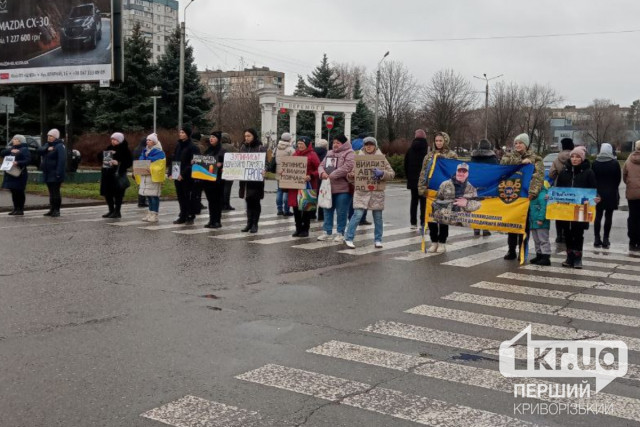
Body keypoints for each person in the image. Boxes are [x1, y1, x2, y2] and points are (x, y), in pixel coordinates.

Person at [344, 137, 395, 248]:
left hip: (376, 193)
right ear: (364, 145)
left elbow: (391, 174)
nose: (369, 146)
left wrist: (382, 173)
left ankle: (378, 239)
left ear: (375, 145)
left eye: (371, 144)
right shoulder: (358, 158)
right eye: (367, 144)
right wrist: (351, 176)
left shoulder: (381, 159)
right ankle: (349, 237)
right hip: (361, 192)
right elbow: (352, 176)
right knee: (357, 215)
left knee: (377, 217)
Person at [500, 133, 544, 260]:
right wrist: (520, 162)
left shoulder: (536, 159)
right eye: (516, 143)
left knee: (524, 225)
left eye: (520, 143)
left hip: (526, 197)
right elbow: (503, 168)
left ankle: (522, 251)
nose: (518, 145)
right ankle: (511, 250)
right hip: (512, 194)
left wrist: (532, 193)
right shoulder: (508, 157)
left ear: (526, 144)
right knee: (512, 224)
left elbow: (538, 177)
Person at [556, 146, 599, 268]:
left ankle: (578, 258)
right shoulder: (564, 172)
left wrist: (596, 197)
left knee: (578, 233)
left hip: (581, 208)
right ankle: (569, 257)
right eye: (573, 156)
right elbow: (558, 189)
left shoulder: (588, 172)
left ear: (582, 158)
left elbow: (593, 189)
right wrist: (552, 197)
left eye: (578, 157)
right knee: (567, 233)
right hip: (566, 209)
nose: (574, 159)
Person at [417, 131, 458, 253]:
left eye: (441, 140)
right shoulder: (429, 155)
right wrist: (421, 186)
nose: (438, 143)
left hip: (445, 192)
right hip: (431, 190)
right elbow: (423, 172)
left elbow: (454, 173)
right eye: (437, 141)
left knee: (443, 217)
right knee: (431, 217)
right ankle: (433, 241)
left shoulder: (452, 155)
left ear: (445, 141)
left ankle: (442, 242)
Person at [317, 134, 355, 242]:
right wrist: (322, 173)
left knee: (341, 212)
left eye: (338, 143)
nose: (335, 145)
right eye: (334, 142)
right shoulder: (329, 153)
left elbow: (348, 167)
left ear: (343, 143)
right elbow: (321, 165)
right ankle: (327, 231)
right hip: (328, 187)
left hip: (343, 188)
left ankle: (340, 233)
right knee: (327, 209)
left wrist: (332, 174)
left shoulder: (349, 153)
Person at [288, 136, 320, 237]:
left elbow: (319, 169)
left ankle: (305, 229)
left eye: (302, 143)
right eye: (298, 143)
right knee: (296, 208)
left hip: (307, 185)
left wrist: (311, 176)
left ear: (307, 144)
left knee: (306, 207)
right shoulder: (295, 154)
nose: (300, 145)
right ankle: (298, 228)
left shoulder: (312, 155)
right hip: (295, 185)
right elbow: (289, 167)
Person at [591, 143, 621, 248]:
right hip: (611, 193)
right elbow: (618, 179)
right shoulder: (615, 163)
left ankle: (596, 238)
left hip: (598, 193)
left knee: (598, 216)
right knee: (609, 216)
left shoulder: (595, 163)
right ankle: (606, 238)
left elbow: (592, 179)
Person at [98, 132, 132, 218]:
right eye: (112, 139)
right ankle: (111, 210)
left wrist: (118, 163)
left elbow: (129, 162)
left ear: (120, 140)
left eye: (115, 140)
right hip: (107, 174)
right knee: (107, 193)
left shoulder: (125, 149)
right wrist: (105, 154)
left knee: (118, 194)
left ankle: (117, 211)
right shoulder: (110, 148)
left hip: (117, 175)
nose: (113, 141)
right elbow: (99, 156)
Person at [170, 125, 200, 225]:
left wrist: (183, 174)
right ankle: (183, 214)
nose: (180, 134)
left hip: (187, 177)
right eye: (180, 132)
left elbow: (193, 163)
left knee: (188, 196)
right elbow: (174, 159)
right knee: (180, 197)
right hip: (177, 175)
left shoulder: (193, 147)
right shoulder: (178, 145)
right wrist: (170, 172)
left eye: (183, 133)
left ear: (187, 134)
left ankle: (190, 215)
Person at [238, 128, 267, 233]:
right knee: (248, 200)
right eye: (245, 136)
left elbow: (266, 163)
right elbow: (238, 161)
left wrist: (265, 170)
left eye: (249, 136)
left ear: (254, 136)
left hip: (256, 180)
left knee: (255, 201)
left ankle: (255, 224)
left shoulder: (260, 148)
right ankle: (249, 223)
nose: (247, 138)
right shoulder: (243, 147)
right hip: (245, 179)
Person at [470, 138, 498, 236]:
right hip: (487, 185)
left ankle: (476, 229)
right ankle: (486, 228)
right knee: (486, 206)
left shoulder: (473, 157)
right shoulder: (492, 158)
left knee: (475, 206)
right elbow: (496, 171)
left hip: (475, 185)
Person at [550, 137, 574, 243]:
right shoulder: (575, 157)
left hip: (559, 189)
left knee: (559, 213)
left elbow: (551, 174)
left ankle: (559, 235)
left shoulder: (557, 159)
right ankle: (567, 233)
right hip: (572, 189)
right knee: (570, 213)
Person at [137, 133, 166, 223]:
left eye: (149, 140)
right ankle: (150, 213)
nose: (147, 141)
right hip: (146, 177)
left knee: (154, 196)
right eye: (147, 140)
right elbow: (141, 160)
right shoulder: (145, 151)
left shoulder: (159, 152)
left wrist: (148, 164)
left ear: (154, 142)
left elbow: (160, 165)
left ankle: (155, 214)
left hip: (154, 177)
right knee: (149, 196)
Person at [38, 128, 66, 217]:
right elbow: (39, 151)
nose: (49, 137)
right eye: (48, 136)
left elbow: (62, 161)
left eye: (51, 136)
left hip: (55, 173)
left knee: (55, 192)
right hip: (47, 172)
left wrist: (59, 173)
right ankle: (52, 209)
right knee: (51, 192)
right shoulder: (47, 145)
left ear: (55, 137)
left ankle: (57, 210)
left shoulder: (59, 146)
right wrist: (47, 149)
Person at [1, 134, 31, 215]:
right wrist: (10, 151)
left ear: (19, 141)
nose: (13, 140)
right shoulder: (12, 148)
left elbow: (28, 160)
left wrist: (18, 162)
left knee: (19, 192)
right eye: (13, 139)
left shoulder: (24, 149)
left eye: (15, 139)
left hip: (20, 174)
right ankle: (15, 208)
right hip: (11, 173)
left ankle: (20, 209)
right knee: (13, 191)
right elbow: (2, 153)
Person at [405, 129, 428, 230]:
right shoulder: (428, 150)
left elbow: (405, 165)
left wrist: (409, 177)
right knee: (424, 202)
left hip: (413, 180)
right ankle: (423, 222)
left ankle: (413, 223)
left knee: (414, 201)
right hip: (425, 181)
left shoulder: (410, 150)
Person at [201, 131, 226, 228]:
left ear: (218, 139)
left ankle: (217, 221)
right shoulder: (208, 151)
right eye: (210, 137)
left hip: (218, 180)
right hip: (207, 180)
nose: (211, 139)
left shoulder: (222, 151)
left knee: (217, 201)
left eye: (214, 137)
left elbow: (227, 163)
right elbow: (203, 162)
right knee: (210, 200)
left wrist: (221, 165)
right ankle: (211, 220)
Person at [528, 180, 552, 266]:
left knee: (543, 240)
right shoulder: (532, 197)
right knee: (536, 240)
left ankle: (546, 256)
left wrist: (541, 219)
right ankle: (539, 255)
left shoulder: (542, 195)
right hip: (533, 222)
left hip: (541, 223)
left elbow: (543, 208)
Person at [623, 140, 640, 252]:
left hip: (632, 193)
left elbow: (624, 176)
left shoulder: (629, 160)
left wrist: (630, 184)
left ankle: (632, 240)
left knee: (633, 217)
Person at [272, 132, 295, 216]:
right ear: (289, 139)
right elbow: (294, 160)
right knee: (287, 191)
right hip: (287, 172)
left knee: (279, 190)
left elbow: (273, 157)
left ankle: (279, 209)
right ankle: (286, 210)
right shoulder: (290, 149)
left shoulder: (276, 148)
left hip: (278, 171)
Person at [313, 138, 329, 221]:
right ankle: (321, 216)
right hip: (322, 177)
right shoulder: (327, 154)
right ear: (326, 146)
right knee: (322, 195)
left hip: (312, 178)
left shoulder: (312, 153)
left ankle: (312, 214)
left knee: (313, 195)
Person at [220, 132, 236, 211]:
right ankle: (226, 204)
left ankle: (221, 204)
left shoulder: (218, 146)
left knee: (221, 188)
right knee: (227, 188)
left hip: (219, 169)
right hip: (230, 169)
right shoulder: (231, 147)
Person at [132, 136, 149, 208]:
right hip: (143, 167)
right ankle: (142, 202)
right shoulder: (144, 149)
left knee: (140, 185)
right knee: (143, 185)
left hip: (136, 167)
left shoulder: (136, 149)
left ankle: (141, 201)